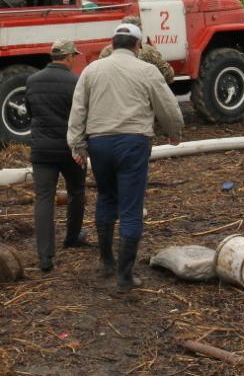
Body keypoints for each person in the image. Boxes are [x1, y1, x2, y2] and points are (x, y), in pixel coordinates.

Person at [68, 23, 184, 292]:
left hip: (99, 143)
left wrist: (77, 145)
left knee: (106, 198)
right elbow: (167, 105)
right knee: (131, 208)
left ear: (113, 43)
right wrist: (174, 131)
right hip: (133, 142)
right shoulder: (146, 70)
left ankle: (107, 262)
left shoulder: (92, 70)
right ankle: (125, 275)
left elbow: (78, 109)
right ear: (137, 45)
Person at [25, 39, 88, 272]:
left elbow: (30, 112)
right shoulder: (75, 82)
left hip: (41, 150)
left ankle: (45, 256)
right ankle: (72, 238)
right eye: (75, 56)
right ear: (69, 57)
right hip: (70, 149)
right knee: (77, 190)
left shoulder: (31, 81)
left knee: (43, 199)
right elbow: (82, 115)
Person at [98, 16, 175, 83]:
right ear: (139, 33)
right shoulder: (149, 51)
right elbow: (169, 76)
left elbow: (100, 77)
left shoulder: (107, 51)